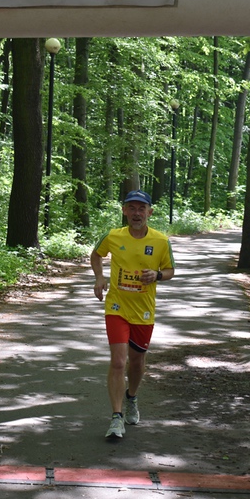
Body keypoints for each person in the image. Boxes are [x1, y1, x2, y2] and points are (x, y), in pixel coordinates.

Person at [90, 189, 175, 441]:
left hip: (144, 311)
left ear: (150, 212)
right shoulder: (113, 236)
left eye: (141, 209)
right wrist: (99, 277)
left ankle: (132, 397)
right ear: (124, 211)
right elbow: (96, 254)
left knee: (136, 362)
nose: (137, 213)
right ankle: (116, 417)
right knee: (118, 362)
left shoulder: (161, 241)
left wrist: (157, 275)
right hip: (117, 307)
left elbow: (170, 270)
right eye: (132, 208)